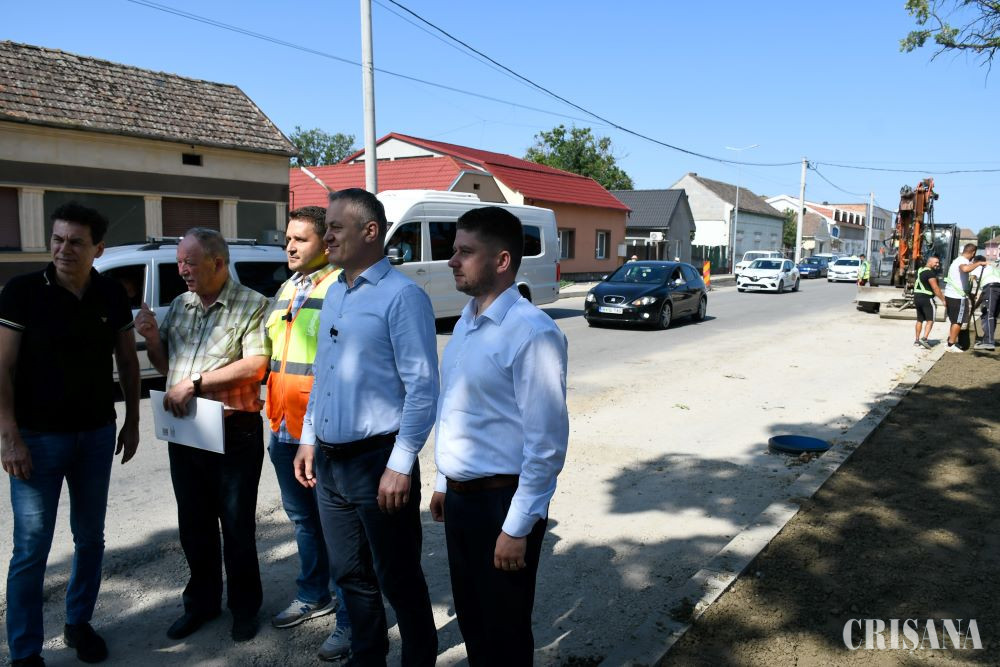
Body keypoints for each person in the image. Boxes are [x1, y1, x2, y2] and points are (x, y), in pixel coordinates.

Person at [295, 188, 439, 666]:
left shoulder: (403, 297)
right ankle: (367, 656)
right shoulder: (334, 290)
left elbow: (423, 388)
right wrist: (309, 437)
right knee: (350, 575)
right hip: (331, 464)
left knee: (398, 577)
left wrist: (401, 464)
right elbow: (325, 372)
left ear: (370, 231)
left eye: (336, 227)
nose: (327, 237)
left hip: (378, 462)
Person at [0, 202, 140, 666]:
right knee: (30, 549)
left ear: (98, 249)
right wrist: (9, 437)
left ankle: (79, 622)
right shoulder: (22, 292)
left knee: (91, 538)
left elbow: (128, 361)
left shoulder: (110, 293)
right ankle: (25, 652)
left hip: (96, 435)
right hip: (36, 440)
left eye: (76, 242)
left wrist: (133, 421)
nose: (64, 249)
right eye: (58, 239)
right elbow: (2, 367)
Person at [429, 206, 569, 666]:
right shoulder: (466, 322)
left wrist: (517, 527)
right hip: (462, 500)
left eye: (465, 252)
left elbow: (546, 445)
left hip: (501, 503)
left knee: (504, 631)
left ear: (502, 260)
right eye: (454, 250)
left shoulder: (532, 332)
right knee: (473, 622)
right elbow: (457, 410)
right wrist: (443, 481)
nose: (452, 261)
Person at [134, 228, 270, 643]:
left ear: (218, 262)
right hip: (187, 431)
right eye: (179, 262)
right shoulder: (181, 304)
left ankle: (244, 609)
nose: (182, 270)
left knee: (237, 526)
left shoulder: (252, 304)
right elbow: (165, 365)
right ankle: (202, 604)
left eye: (189, 262)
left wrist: (194, 384)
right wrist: (152, 338)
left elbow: (256, 365)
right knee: (193, 525)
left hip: (233, 432)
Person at [263, 206, 353, 660]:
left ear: (325, 242)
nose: (290, 247)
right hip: (282, 427)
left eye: (300, 239)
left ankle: (350, 619)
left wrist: (312, 435)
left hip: (318, 433)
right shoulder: (288, 287)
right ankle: (313, 593)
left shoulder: (340, 286)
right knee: (303, 521)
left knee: (339, 528)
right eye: (288, 239)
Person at [943, 243, 989, 352]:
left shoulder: (957, 260)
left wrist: (969, 293)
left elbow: (959, 280)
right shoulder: (962, 261)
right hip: (957, 297)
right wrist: (979, 263)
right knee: (958, 321)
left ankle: (950, 341)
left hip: (952, 295)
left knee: (955, 320)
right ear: (973, 253)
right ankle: (950, 345)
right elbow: (965, 269)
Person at [912, 256, 946, 349]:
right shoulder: (930, 273)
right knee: (930, 320)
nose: (937, 265)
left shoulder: (919, 270)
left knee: (919, 319)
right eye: (936, 262)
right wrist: (943, 300)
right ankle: (924, 339)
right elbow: (935, 288)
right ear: (930, 262)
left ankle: (917, 340)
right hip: (927, 298)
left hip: (917, 297)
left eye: (938, 263)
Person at [973, 261, 1000, 351]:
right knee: (993, 316)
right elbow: (983, 294)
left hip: (991, 288)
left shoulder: (978, 267)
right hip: (996, 289)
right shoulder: (993, 270)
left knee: (988, 315)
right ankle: (986, 339)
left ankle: (988, 342)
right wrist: (975, 306)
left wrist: (969, 293)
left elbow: (971, 279)